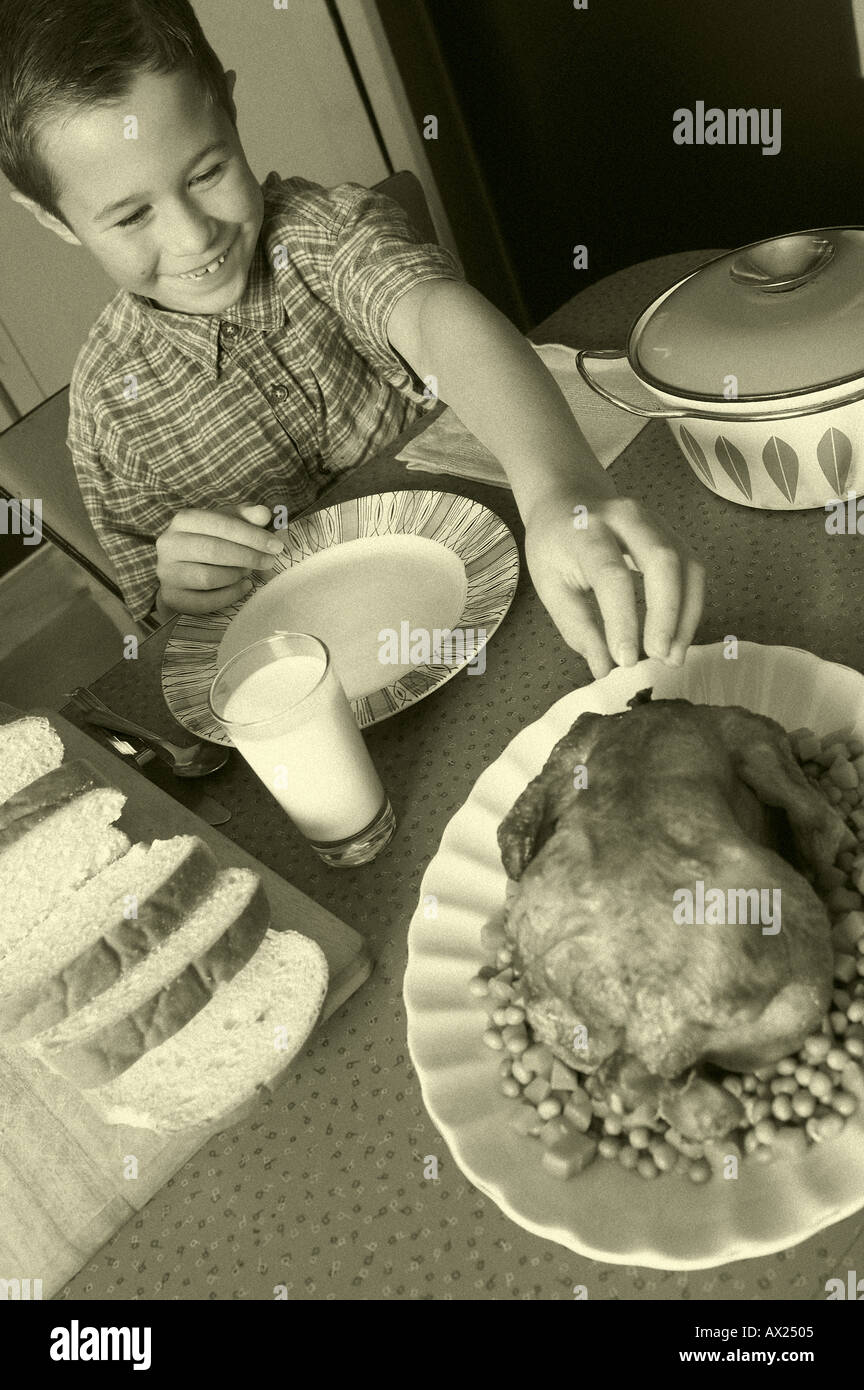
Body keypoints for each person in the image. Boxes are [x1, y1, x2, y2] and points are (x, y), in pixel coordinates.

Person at [0, 0, 703, 679]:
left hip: (518, 595)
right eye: (130, 217)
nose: (192, 237)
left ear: (230, 108)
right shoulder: (108, 418)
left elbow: (435, 319)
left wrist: (560, 491)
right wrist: (183, 590)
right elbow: (169, 644)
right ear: (56, 219)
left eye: (207, 173)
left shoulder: (325, 235)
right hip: (331, 690)